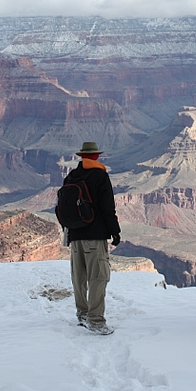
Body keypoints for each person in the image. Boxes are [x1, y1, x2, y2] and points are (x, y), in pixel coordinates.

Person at [63, 141, 121, 335]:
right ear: (96, 156)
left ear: (82, 156)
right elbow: (107, 207)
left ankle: (82, 315)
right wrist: (115, 231)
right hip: (94, 235)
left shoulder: (71, 175)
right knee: (98, 276)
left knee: (79, 276)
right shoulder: (100, 175)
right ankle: (95, 320)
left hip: (75, 234)